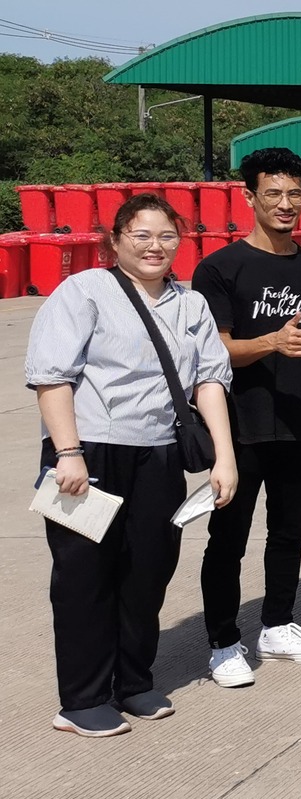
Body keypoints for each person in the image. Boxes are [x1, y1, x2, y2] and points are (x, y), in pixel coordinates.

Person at [26, 194, 236, 735]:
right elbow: (52, 376)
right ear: (115, 240)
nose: (154, 246)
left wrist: (225, 457)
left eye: (166, 236)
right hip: (89, 451)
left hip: (159, 454)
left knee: (148, 571)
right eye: (141, 235)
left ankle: (134, 682)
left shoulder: (191, 305)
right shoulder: (84, 291)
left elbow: (210, 381)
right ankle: (82, 700)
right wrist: (67, 452)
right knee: (84, 576)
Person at [193, 147, 301, 688]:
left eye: (294, 194)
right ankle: (222, 643)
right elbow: (215, 352)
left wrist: (292, 355)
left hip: (300, 422)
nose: (285, 204)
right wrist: (271, 343)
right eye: (273, 193)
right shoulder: (219, 268)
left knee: (289, 531)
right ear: (249, 197)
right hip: (239, 426)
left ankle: (277, 626)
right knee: (227, 538)